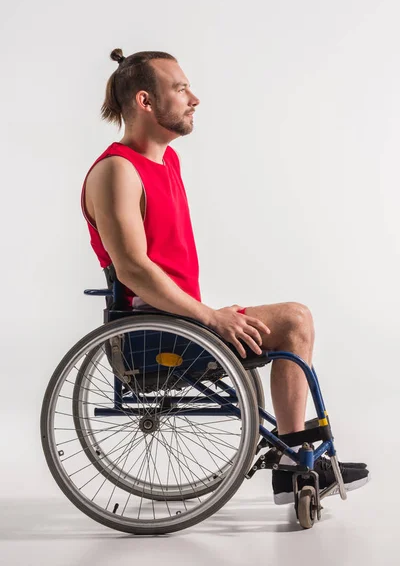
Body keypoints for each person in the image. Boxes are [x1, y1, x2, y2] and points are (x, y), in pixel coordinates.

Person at [81, 48, 369, 505]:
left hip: (179, 323)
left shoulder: (165, 163)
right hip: (152, 338)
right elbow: (133, 268)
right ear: (145, 102)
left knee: (295, 320)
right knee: (294, 319)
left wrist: (208, 316)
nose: (194, 98)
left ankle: (294, 457)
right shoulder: (118, 171)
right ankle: (293, 463)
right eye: (179, 89)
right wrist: (212, 318)